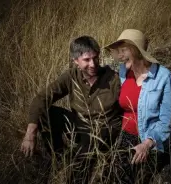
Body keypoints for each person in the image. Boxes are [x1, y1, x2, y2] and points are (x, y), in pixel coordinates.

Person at [20, 36, 122, 184]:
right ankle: (59, 157)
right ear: (75, 61)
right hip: (79, 126)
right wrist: (30, 133)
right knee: (46, 114)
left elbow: (127, 108)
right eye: (86, 60)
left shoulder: (113, 79)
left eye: (95, 58)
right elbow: (42, 98)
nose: (93, 64)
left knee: (78, 170)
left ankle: (76, 170)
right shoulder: (71, 76)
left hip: (103, 131)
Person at [105, 29, 171, 183]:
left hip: (149, 139)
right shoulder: (123, 72)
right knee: (112, 174)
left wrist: (147, 144)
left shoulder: (163, 77)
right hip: (123, 136)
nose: (119, 56)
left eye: (123, 50)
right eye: (118, 51)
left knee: (135, 177)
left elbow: (166, 120)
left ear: (137, 51)